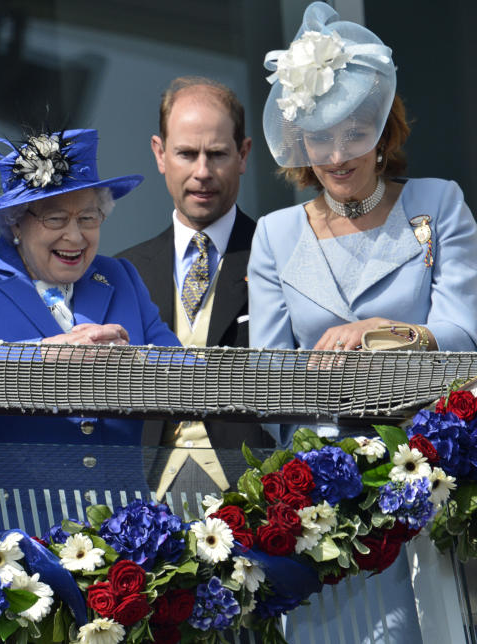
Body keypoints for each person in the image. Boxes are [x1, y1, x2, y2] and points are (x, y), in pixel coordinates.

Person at [249, 3, 477, 641]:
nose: (337, 154)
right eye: (318, 138)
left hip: (430, 481)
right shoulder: (275, 234)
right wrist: (329, 478)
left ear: (383, 128)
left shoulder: (439, 202)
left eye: (353, 132)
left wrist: (379, 332)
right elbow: (271, 381)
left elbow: (465, 336)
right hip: (325, 506)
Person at [0, 128, 180, 532]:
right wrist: (46, 353)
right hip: (15, 538)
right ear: (15, 223)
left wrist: (135, 364)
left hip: (124, 537)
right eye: (56, 218)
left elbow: (181, 368)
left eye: (88, 218)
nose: (75, 235)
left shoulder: (121, 276)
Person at [117, 77, 273, 501]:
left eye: (218, 154)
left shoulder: (278, 258)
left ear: (243, 155)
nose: (202, 172)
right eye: (187, 153)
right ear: (160, 153)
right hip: (143, 503)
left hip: (255, 498)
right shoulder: (120, 271)